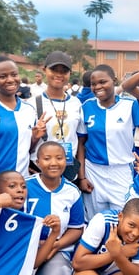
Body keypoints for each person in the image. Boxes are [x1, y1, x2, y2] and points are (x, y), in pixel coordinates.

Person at [76, 65, 139, 216]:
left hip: (121, 171)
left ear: (114, 80)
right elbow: (81, 145)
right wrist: (82, 177)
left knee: (123, 219)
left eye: (103, 82)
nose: (98, 87)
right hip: (93, 173)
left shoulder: (129, 106)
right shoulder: (86, 107)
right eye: (94, 84)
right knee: (95, 220)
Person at [0, 56, 47, 201]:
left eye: (14, 75)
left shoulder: (28, 109)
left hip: (19, 186)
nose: (10, 80)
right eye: (3, 76)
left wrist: (35, 137)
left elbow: (25, 148)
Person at [26, 142, 85, 275]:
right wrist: (37, 244)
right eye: (47, 158)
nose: (53, 163)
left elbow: (76, 228)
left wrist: (56, 244)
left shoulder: (72, 192)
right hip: (27, 248)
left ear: (66, 161)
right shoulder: (25, 187)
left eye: (59, 158)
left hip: (57, 249)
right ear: (38, 162)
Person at [30, 51, 84, 183]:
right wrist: (35, 137)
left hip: (68, 170)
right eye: (54, 70)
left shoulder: (76, 103)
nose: (59, 75)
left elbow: (80, 142)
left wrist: (82, 177)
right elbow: (24, 144)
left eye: (64, 71)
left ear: (70, 74)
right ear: (44, 70)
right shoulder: (31, 104)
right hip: (39, 171)